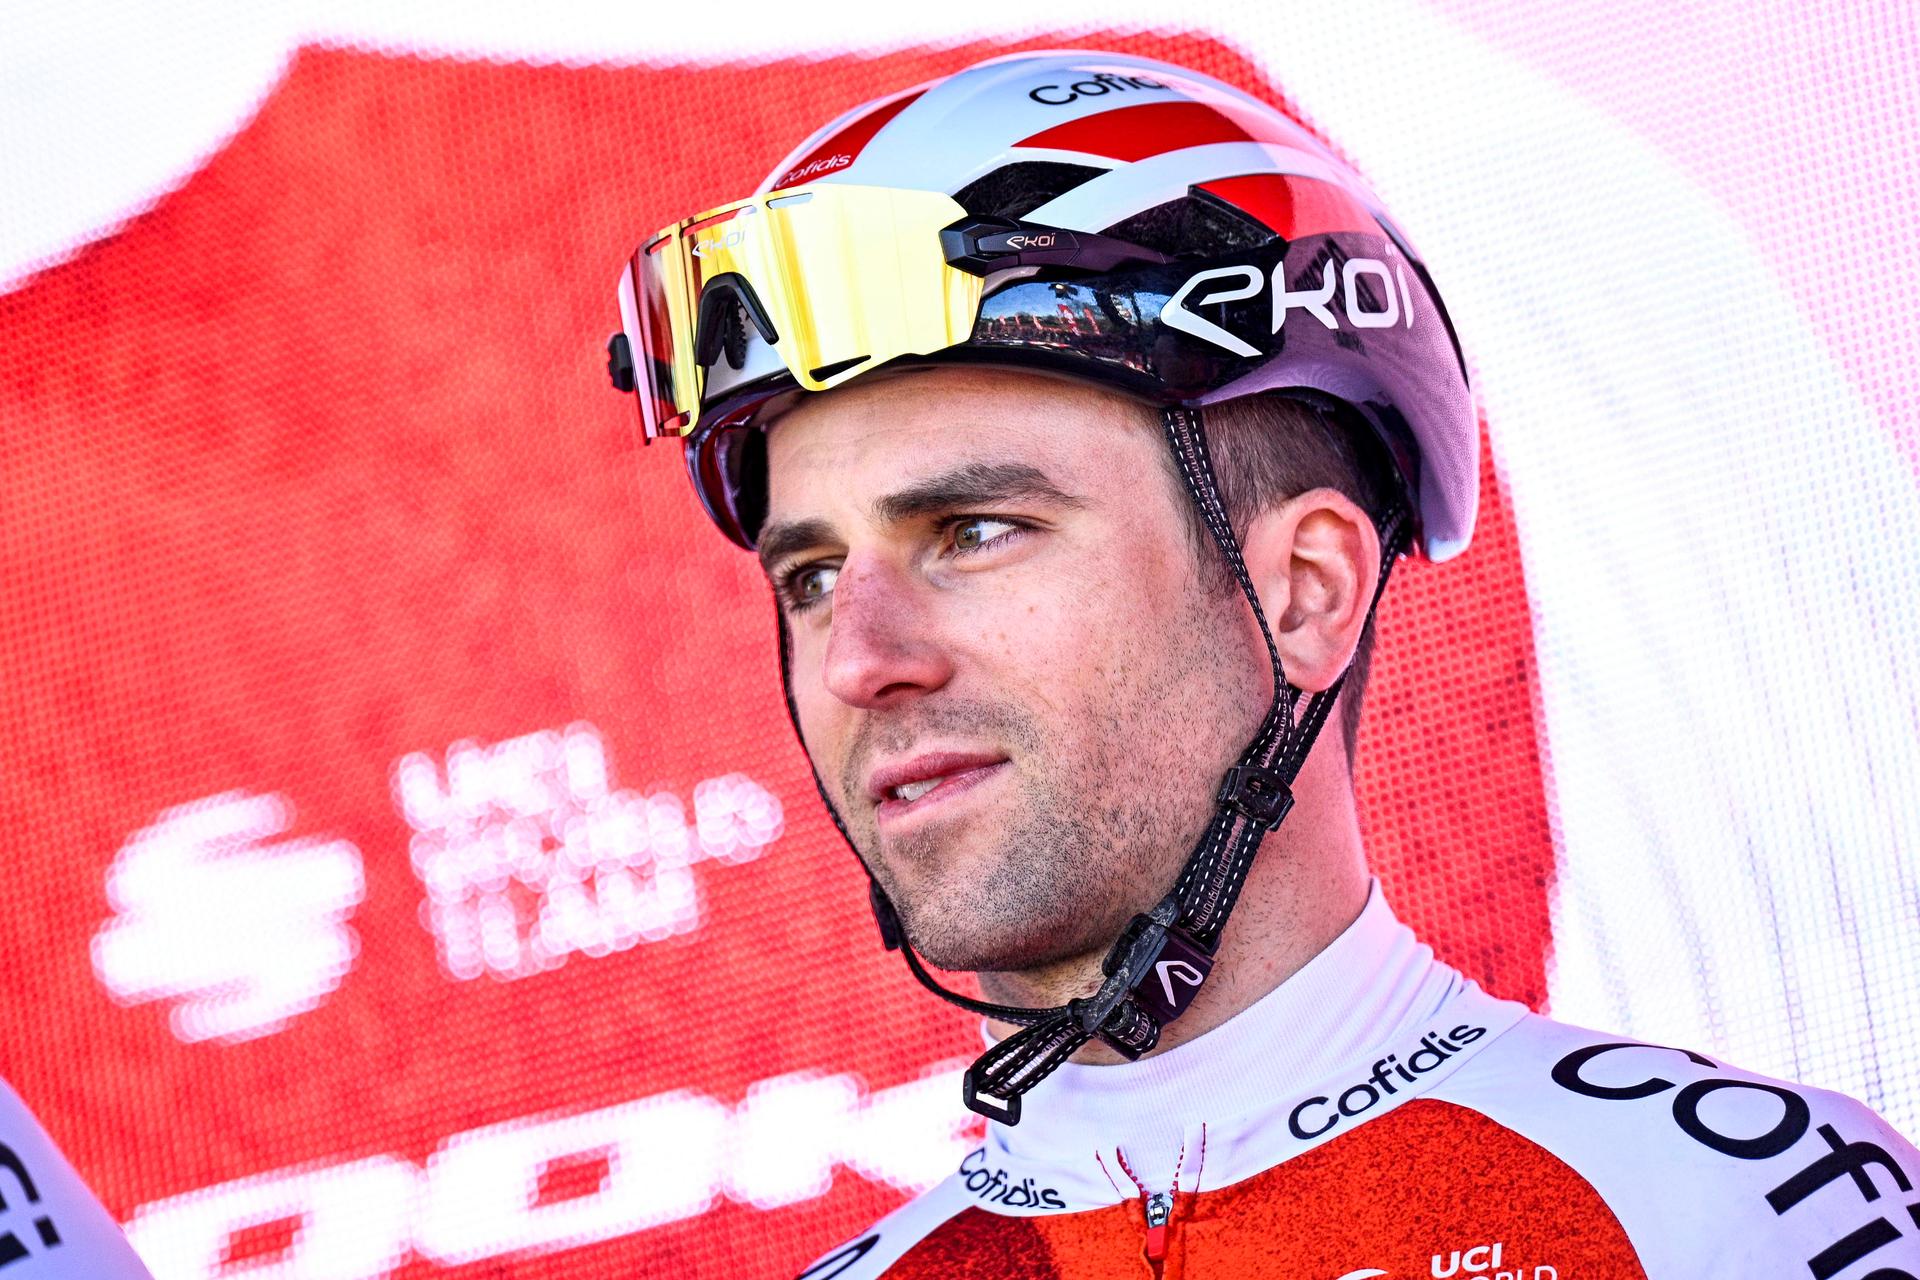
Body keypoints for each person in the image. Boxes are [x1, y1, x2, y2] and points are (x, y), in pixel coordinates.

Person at [607, 50, 1920, 1279]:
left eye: (976, 530)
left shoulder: (1735, 1215)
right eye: (812, 577)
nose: (858, 661)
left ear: (1306, 594)